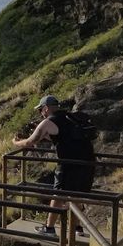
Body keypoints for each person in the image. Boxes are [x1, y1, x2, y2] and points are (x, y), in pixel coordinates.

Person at [12, 95, 96, 236]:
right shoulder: (70, 117)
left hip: (68, 165)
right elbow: (63, 137)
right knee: (76, 195)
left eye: (41, 110)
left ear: (46, 108)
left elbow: (29, 143)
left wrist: (15, 142)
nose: (41, 113)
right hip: (87, 163)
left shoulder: (48, 122)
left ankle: (49, 228)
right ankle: (77, 228)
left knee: (58, 195)